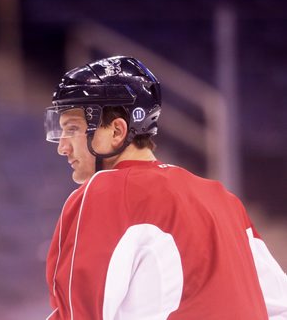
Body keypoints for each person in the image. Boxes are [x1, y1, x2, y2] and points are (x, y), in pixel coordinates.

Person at [43, 55, 287, 319]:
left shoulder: (104, 192)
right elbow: (279, 307)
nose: (62, 147)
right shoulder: (224, 199)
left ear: (116, 131)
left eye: (72, 129)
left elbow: (80, 313)